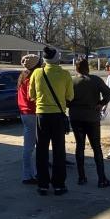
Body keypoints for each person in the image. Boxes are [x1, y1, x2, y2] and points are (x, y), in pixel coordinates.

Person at [29, 46, 75, 196]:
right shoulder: (65, 74)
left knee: (41, 150)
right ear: (57, 58)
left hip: (41, 115)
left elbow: (31, 95)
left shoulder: (37, 73)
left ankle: (42, 184)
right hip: (58, 115)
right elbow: (70, 97)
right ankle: (59, 185)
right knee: (59, 151)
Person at [69, 56, 110, 188]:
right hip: (92, 117)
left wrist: (72, 104)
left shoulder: (72, 81)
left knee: (79, 147)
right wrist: (101, 103)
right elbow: (109, 93)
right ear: (87, 67)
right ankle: (102, 179)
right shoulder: (95, 80)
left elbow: (66, 99)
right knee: (96, 148)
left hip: (76, 117)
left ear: (76, 68)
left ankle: (81, 177)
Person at [17, 54, 41, 185]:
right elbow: (35, 97)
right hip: (32, 113)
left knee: (29, 146)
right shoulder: (33, 78)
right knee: (31, 147)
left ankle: (31, 173)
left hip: (24, 113)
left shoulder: (22, 76)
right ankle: (29, 175)